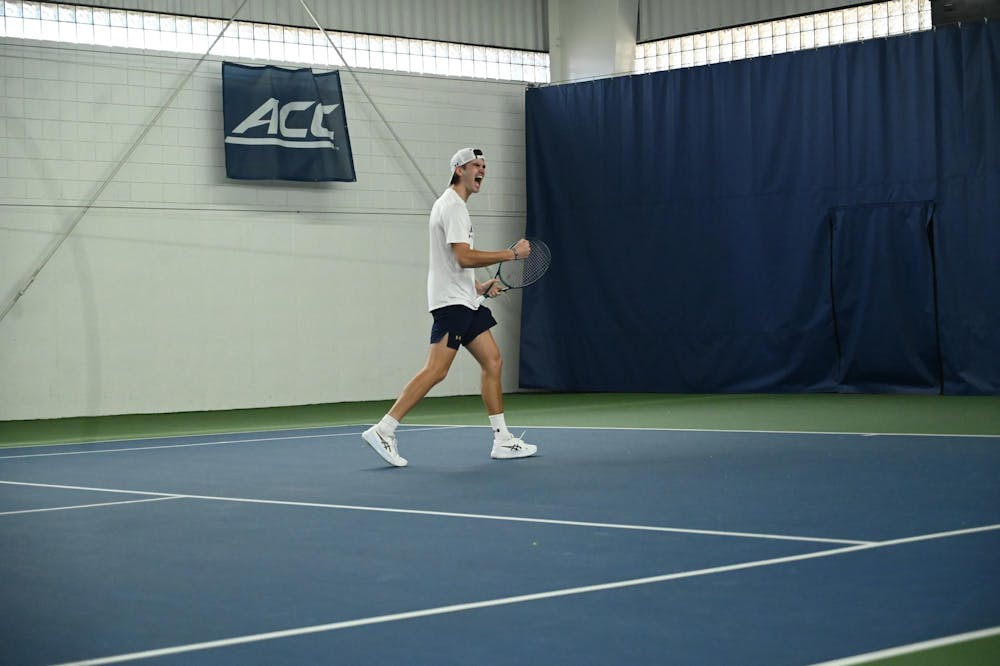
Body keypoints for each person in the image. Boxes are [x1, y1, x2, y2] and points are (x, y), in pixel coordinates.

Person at [361, 147, 538, 467]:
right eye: (475, 165)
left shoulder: (454, 206)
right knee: (437, 370)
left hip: (464, 299)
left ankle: (502, 439)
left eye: (484, 166)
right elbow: (462, 257)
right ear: (459, 170)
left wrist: (478, 286)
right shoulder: (453, 207)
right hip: (451, 304)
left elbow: (454, 263)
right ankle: (384, 428)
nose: (481, 170)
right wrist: (510, 254)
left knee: (493, 361)